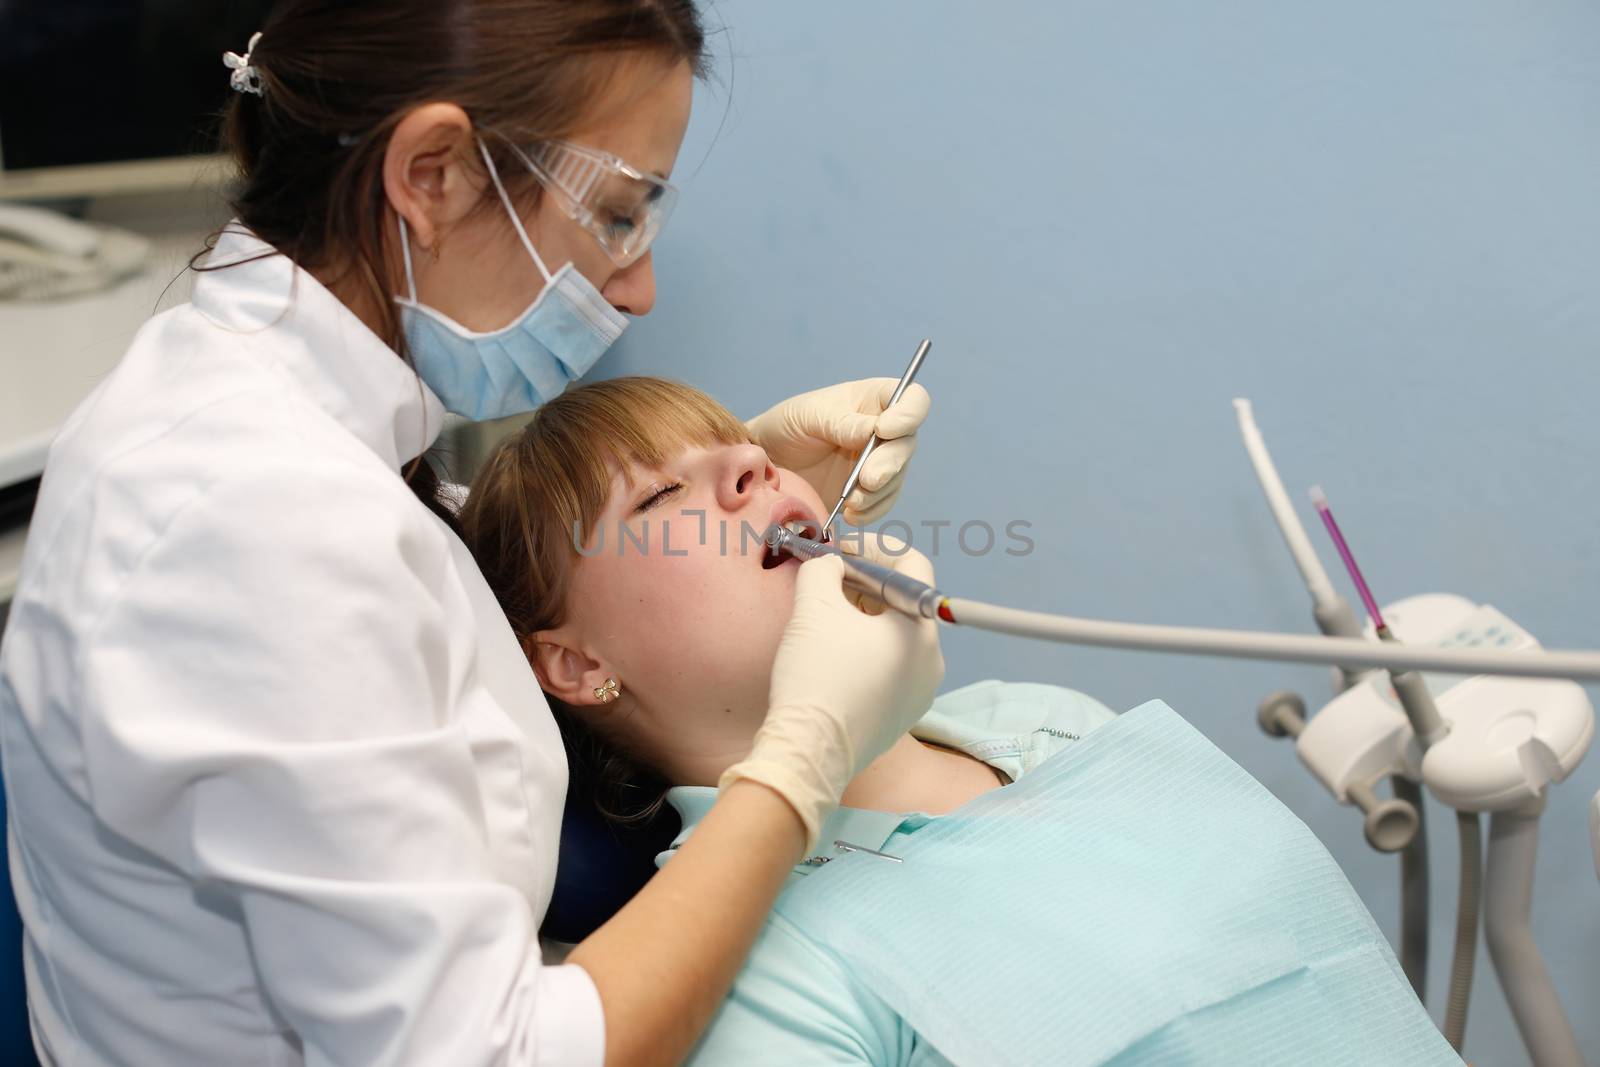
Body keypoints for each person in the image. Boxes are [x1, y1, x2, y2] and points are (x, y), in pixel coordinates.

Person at [0, 4, 944, 1066]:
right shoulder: (246, 516)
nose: (637, 285)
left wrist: (703, 484)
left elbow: (401, 591)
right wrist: (798, 761)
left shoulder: (274, 404)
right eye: (619, 215)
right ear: (433, 172)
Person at [458, 376, 1469, 1067]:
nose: (754, 473)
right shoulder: (735, 970)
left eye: (751, 457)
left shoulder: (1044, 719)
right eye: (664, 493)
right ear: (578, 662)